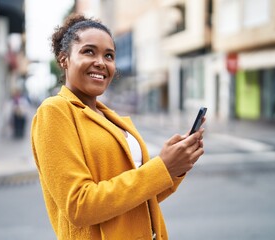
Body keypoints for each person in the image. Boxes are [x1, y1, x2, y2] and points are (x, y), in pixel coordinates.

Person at [31, 14, 205, 240]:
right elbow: (79, 206)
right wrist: (161, 167)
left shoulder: (109, 117)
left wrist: (175, 168)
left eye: (109, 55)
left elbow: (138, 197)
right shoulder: (55, 111)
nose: (101, 62)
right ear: (64, 59)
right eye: (88, 51)